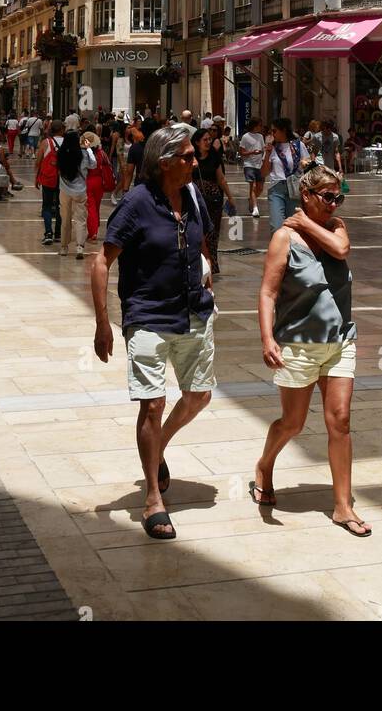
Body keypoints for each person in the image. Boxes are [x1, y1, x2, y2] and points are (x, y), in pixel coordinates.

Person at [91, 124, 215, 541]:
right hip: (147, 314)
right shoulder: (136, 203)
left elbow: (197, 240)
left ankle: (156, 447)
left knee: (199, 394)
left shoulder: (194, 194)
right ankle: (152, 500)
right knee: (152, 404)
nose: (195, 162)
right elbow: (101, 262)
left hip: (193, 310)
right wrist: (103, 322)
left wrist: (206, 266)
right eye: (187, 157)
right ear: (164, 163)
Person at [254, 166, 369, 535]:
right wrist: (267, 338)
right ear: (306, 195)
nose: (335, 204)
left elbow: (341, 249)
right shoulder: (283, 239)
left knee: (341, 421)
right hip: (298, 344)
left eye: (339, 197)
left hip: (339, 341)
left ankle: (342, 506)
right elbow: (268, 292)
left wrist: (307, 222)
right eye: (328, 197)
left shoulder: (335, 228)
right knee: (294, 423)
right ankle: (265, 466)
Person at [192, 125, 236, 276]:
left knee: (212, 232)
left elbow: (221, 179)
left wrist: (230, 197)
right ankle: (197, 262)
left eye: (210, 139)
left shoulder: (214, 156)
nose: (208, 142)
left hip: (213, 200)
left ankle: (212, 263)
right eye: (205, 140)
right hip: (195, 200)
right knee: (197, 232)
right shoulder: (191, 157)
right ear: (197, 142)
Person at [264, 118, 310, 231]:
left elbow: (308, 164)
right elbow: (264, 172)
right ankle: (277, 248)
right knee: (276, 226)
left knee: (292, 226)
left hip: (294, 188)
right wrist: (267, 154)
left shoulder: (298, 146)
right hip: (276, 188)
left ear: (283, 130)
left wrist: (304, 164)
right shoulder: (272, 148)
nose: (272, 134)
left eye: (274, 131)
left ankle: (289, 248)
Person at [57, 130, 94, 258]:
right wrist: (89, 149)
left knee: (65, 219)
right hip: (80, 191)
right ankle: (79, 247)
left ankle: (64, 247)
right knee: (80, 219)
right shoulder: (83, 154)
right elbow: (93, 165)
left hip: (64, 190)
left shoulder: (60, 153)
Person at [35, 119, 64, 245]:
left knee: (46, 206)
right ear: (62, 130)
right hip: (63, 179)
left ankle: (48, 233)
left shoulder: (45, 142)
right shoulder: (67, 142)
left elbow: (38, 161)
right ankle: (58, 233)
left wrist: (36, 178)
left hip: (47, 178)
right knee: (60, 206)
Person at [238, 116, 267, 218]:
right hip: (249, 164)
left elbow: (263, 149)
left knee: (260, 187)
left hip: (260, 165)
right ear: (254, 126)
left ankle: (251, 199)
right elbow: (241, 152)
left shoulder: (260, 136)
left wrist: (263, 156)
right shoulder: (245, 137)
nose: (261, 127)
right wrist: (252, 152)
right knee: (253, 186)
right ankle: (255, 208)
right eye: (260, 125)